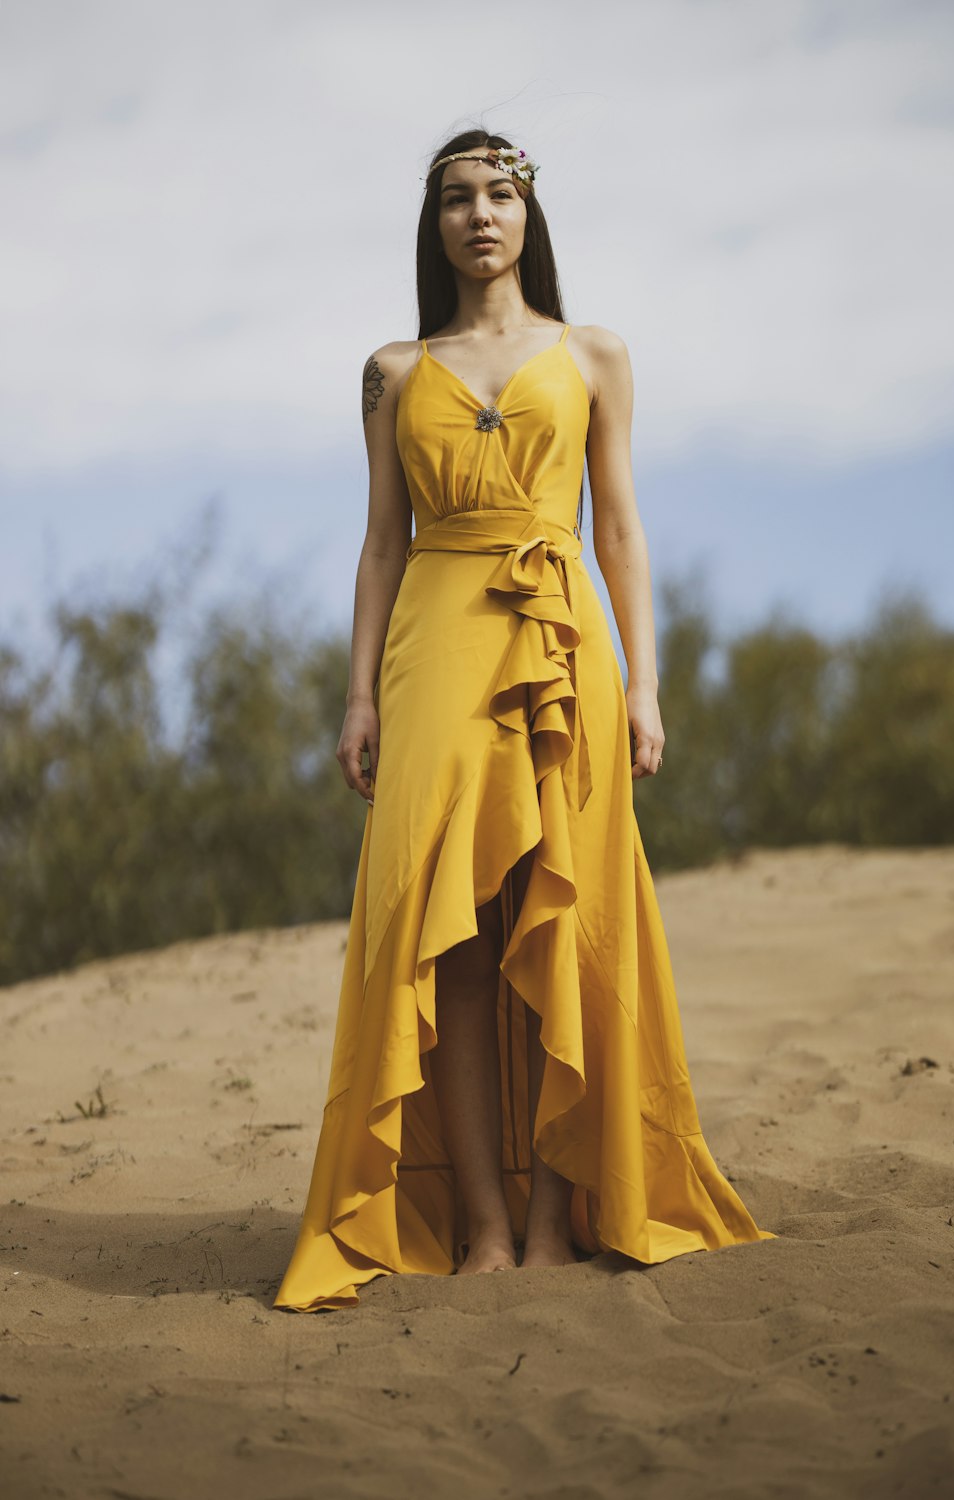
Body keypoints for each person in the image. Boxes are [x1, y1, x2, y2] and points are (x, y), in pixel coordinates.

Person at [273, 128, 776, 1311]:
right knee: (445, 932)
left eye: (499, 192)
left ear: (528, 212)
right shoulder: (393, 372)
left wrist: (643, 684)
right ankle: (486, 1228)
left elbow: (619, 528)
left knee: (568, 913)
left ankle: (556, 1218)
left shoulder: (594, 353)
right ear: (434, 223)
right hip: (436, 646)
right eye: (456, 197)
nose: (478, 214)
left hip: (560, 643)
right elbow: (379, 542)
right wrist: (357, 695)